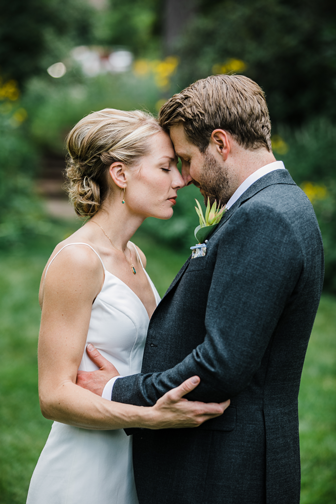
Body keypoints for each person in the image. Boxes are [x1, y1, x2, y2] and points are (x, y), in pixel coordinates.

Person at [77, 75, 324, 504]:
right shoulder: (283, 203)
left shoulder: (263, 216)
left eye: (187, 159)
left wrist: (118, 391)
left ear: (221, 143)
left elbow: (220, 364)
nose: (185, 177)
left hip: (225, 470)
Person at [26, 108, 229, 504]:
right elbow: (53, 396)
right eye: (166, 167)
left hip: (135, 462)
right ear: (120, 175)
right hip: (85, 473)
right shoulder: (78, 260)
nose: (181, 179)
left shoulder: (134, 255)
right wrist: (152, 418)